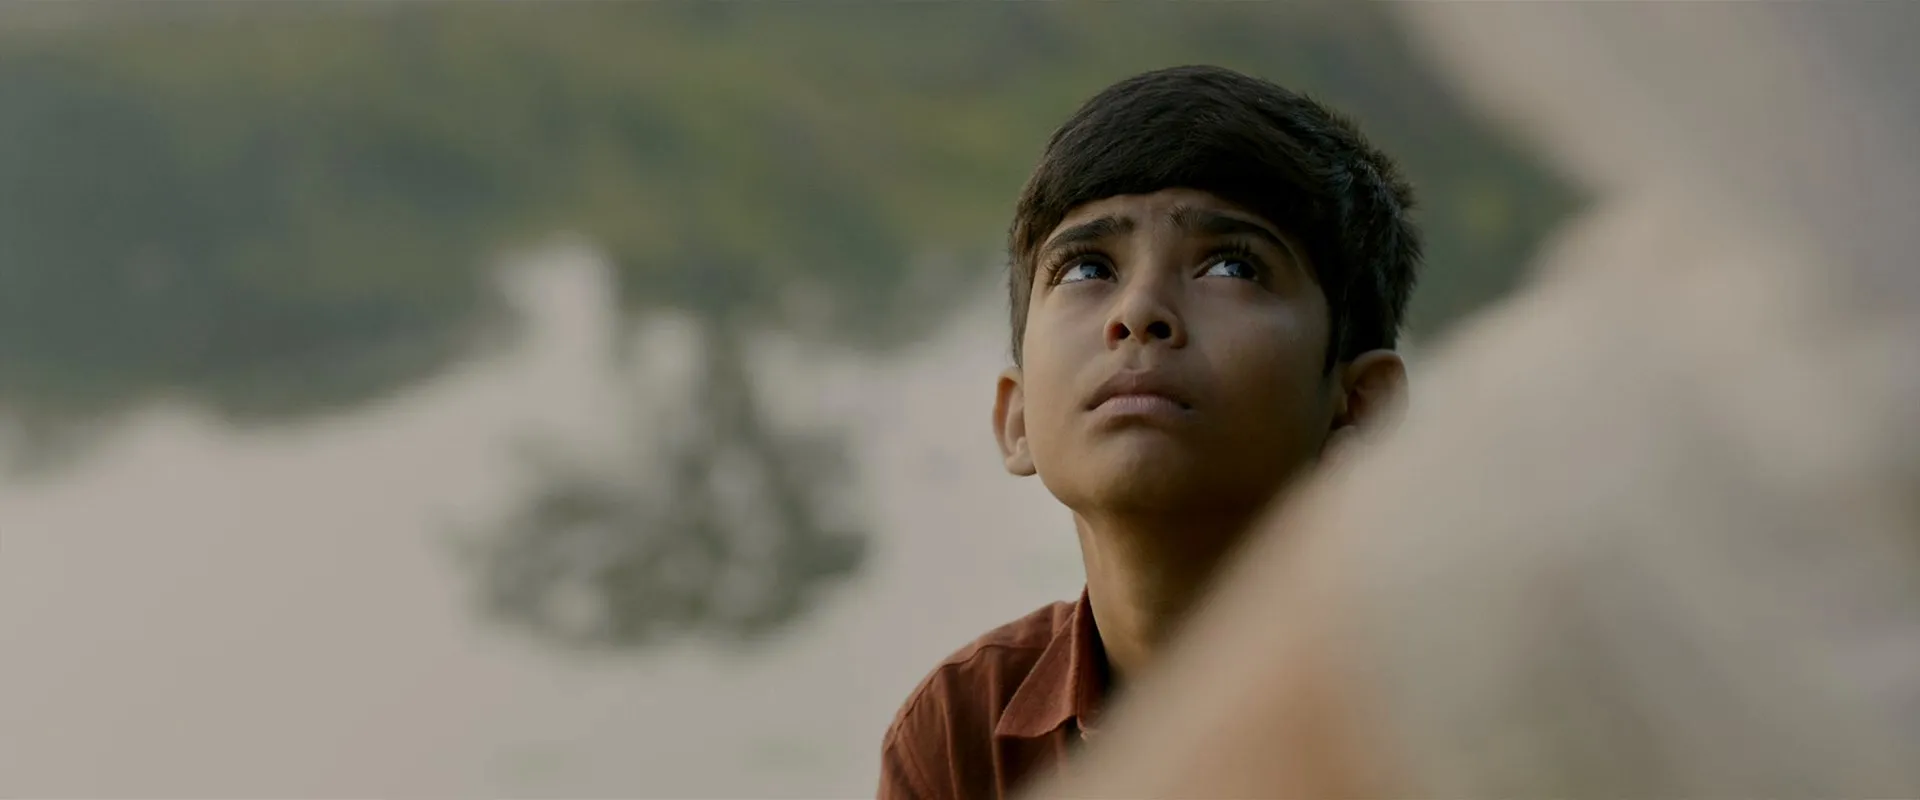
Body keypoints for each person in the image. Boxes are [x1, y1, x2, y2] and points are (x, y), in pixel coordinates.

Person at [876, 64, 1422, 800]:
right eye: (1086, 269)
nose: (1137, 313)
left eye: (1232, 265)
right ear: (1018, 417)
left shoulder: (1463, 708)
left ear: (1358, 408)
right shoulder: (964, 732)